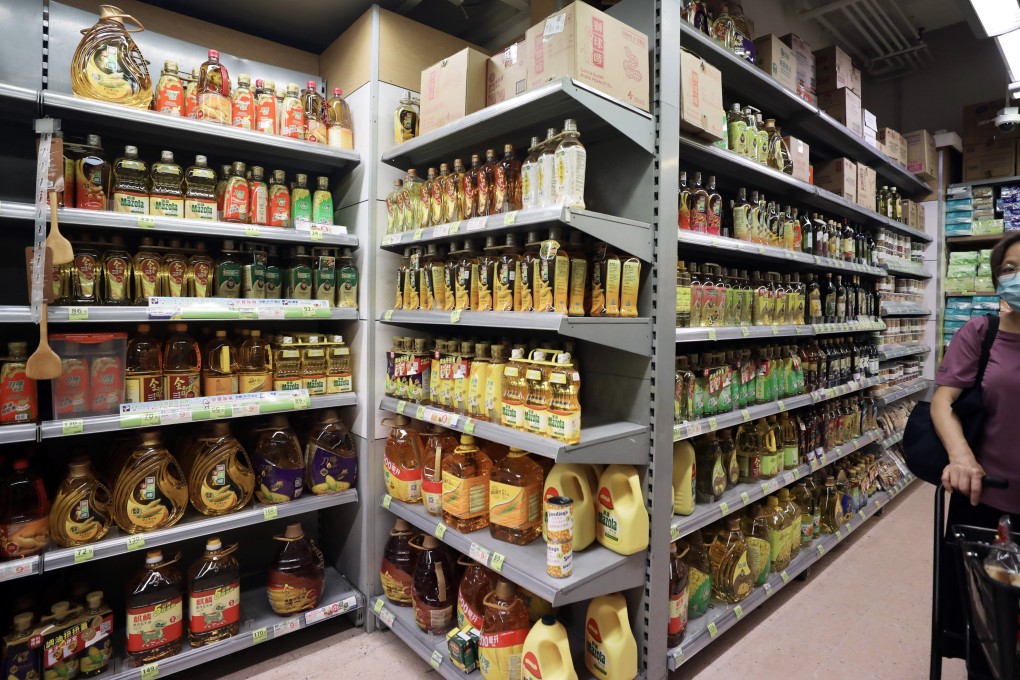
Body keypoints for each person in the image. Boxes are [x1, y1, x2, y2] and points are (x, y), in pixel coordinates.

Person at [932, 231, 1020, 665]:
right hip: (989, 507)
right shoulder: (980, 333)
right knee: (991, 637)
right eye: (1010, 270)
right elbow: (944, 400)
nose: (1019, 277)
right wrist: (961, 456)